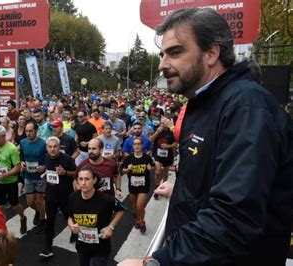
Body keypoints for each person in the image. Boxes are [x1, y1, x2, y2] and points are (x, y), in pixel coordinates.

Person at [119, 8, 293, 266]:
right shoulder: (205, 102)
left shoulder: (245, 108)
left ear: (212, 53)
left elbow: (235, 216)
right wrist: (183, 190)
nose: (163, 64)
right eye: (162, 54)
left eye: (175, 52)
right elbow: (223, 180)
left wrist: (156, 263)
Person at [68, 166, 125, 266]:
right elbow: (70, 217)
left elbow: (121, 210)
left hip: (100, 250)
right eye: (80, 179)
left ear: (94, 180)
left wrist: (110, 227)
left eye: (87, 179)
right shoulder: (73, 197)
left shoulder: (105, 200)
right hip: (82, 247)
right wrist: (72, 226)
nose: (83, 183)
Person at [39, 137, 77, 258]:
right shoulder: (46, 157)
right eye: (50, 147)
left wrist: (65, 173)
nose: (52, 149)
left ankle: (74, 232)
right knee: (50, 221)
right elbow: (48, 168)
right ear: (47, 148)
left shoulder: (67, 159)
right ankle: (48, 247)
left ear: (59, 147)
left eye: (55, 146)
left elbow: (76, 173)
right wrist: (43, 170)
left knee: (69, 217)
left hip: (65, 195)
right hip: (50, 195)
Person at [0, 125, 27, 234]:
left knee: (15, 205)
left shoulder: (11, 148)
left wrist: (6, 175)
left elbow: (18, 167)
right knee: (0, 207)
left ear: (4, 136)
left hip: (10, 181)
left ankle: (23, 218)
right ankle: (3, 228)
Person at [121, 137, 154, 233]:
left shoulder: (146, 157)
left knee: (140, 205)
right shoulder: (129, 158)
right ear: (132, 146)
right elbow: (121, 170)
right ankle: (137, 218)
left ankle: (141, 221)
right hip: (132, 185)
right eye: (135, 144)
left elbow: (153, 165)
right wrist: (128, 169)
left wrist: (150, 168)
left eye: (139, 144)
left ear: (142, 145)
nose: (137, 146)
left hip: (144, 185)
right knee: (135, 206)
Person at [20, 121, 47, 226]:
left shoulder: (43, 143)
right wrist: (22, 162)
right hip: (28, 175)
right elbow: (22, 155)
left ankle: (42, 219)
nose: (28, 133)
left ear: (36, 131)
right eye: (26, 131)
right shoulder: (23, 142)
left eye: (30, 131)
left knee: (40, 200)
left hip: (40, 176)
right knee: (30, 202)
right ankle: (39, 211)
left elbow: (47, 158)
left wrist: (44, 167)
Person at [149, 118, 176, 200]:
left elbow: (176, 143)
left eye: (165, 123)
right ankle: (157, 187)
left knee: (165, 171)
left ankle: (163, 185)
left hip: (168, 155)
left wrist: (168, 146)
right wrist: (157, 132)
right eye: (162, 123)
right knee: (157, 172)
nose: (163, 124)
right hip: (158, 154)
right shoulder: (157, 130)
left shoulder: (172, 132)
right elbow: (151, 140)